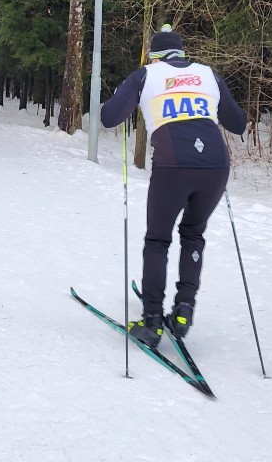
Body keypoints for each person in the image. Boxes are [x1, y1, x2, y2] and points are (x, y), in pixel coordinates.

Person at [100, 24, 247, 348]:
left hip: (173, 165)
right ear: (181, 54)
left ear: (155, 56)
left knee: (158, 239)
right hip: (215, 165)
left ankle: (152, 320)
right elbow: (238, 123)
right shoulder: (208, 74)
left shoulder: (146, 75)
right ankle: (183, 310)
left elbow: (109, 117)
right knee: (193, 234)